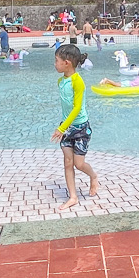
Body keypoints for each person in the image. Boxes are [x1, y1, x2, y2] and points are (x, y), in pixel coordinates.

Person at [51, 44, 98, 211]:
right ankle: (73, 196)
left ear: (67, 62)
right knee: (67, 163)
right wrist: (63, 127)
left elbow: (77, 108)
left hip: (80, 128)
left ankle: (93, 176)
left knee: (79, 164)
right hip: (66, 128)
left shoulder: (78, 81)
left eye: (56, 60)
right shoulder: (61, 81)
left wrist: (62, 128)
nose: (54, 64)